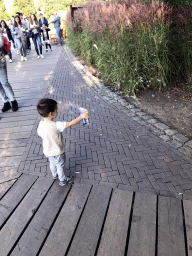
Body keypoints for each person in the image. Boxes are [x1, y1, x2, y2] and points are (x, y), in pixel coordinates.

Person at [37, 98, 89, 186]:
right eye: (56, 110)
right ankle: (62, 179)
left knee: (52, 163)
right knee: (60, 164)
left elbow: (40, 134)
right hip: (57, 150)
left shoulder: (41, 124)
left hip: (48, 150)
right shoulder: (57, 125)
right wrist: (81, 117)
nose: (57, 111)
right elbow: (70, 124)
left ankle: (54, 175)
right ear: (51, 114)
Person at [0, 28, 18, 112]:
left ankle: (13, 100)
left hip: (0, 61)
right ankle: (5, 101)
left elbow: (1, 44)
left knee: (4, 82)